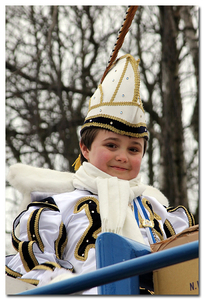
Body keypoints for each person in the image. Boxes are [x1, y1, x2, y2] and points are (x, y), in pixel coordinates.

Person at [5, 54, 195, 294]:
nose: (123, 156)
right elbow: (33, 267)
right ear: (85, 148)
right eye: (112, 145)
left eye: (134, 149)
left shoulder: (160, 213)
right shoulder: (56, 207)